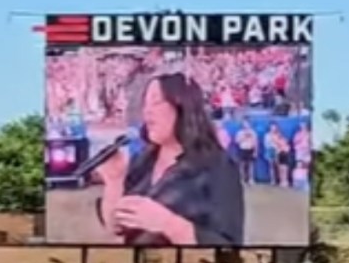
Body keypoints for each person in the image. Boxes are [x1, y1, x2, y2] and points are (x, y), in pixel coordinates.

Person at [94, 72, 245, 246]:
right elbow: (116, 227)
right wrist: (114, 181)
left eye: (156, 102)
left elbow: (229, 246)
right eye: (145, 104)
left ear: (183, 106)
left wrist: (168, 224)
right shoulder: (143, 161)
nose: (147, 111)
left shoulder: (217, 166)